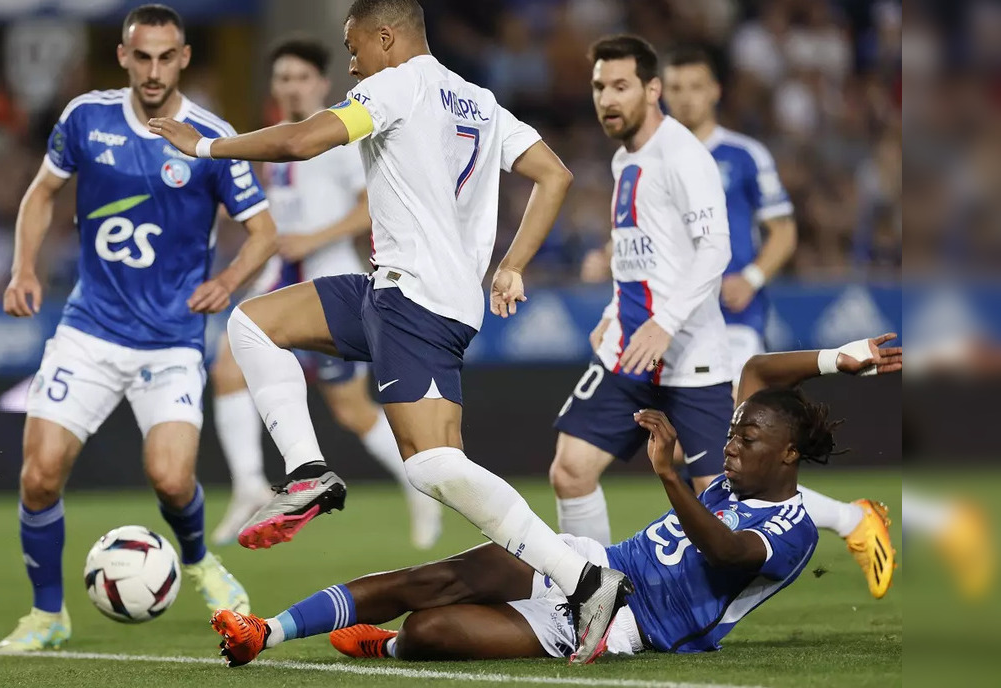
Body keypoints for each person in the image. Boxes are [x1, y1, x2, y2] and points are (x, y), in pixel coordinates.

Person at [149, 0, 630, 662]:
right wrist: (512, 264)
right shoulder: (479, 101)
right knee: (253, 325)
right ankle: (309, 472)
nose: (350, 68)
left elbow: (300, 140)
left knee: (435, 466)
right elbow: (552, 174)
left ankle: (583, 579)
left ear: (385, 39)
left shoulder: (397, 86)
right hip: (391, 291)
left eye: (353, 51)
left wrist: (206, 147)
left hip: (420, 303)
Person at [208, 336, 902, 666]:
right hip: (591, 563)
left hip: (631, 626)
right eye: (733, 431)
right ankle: (263, 631)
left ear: (787, 455)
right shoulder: (746, 469)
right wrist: (837, 357)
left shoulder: (793, 528)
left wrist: (668, 477)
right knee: (433, 579)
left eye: (747, 438)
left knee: (430, 633)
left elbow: (724, 554)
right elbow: (753, 372)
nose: (731, 443)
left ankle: (387, 645)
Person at [0, 4, 274, 652]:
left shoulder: (210, 135)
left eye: (164, 57)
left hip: (172, 339)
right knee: (38, 475)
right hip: (89, 330)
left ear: (184, 59)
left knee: (172, 479)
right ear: (122, 56)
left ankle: (200, 561)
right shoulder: (84, 118)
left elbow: (264, 231)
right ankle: (47, 615)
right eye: (140, 57)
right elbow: (40, 192)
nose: (152, 71)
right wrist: (23, 268)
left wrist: (228, 282)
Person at [657, 46, 894, 599]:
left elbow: (783, 230)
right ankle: (849, 519)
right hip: (674, 324)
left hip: (734, 321)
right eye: (676, 86)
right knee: (710, 473)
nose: (686, 96)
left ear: (714, 91)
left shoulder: (743, 154)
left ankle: (847, 521)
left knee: (725, 452)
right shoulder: (656, 157)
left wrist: (755, 276)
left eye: (696, 85)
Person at [209, 36, 442, 549]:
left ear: (320, 83)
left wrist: (310, 239)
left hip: (330, 279)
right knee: (227, 370)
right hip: (281, 279)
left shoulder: (338, 136)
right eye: (283, 78)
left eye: (300, 77)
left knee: (351, 410)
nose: (291, 86)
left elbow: (368, 209)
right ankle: (248, 482)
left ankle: (420, 486)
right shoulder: (279, 146)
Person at [549, 34, 735, 546]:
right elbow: (638, 255)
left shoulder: (682, 155)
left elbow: (715, 249)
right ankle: (592, 597)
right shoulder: (623, 160)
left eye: (621, 86)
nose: (608, 98)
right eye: (599, 87)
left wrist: (666, 322)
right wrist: (613, 310)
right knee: (570, 471)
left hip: (689, 356)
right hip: (630, 352)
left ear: (653, 89)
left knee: (720, 508)